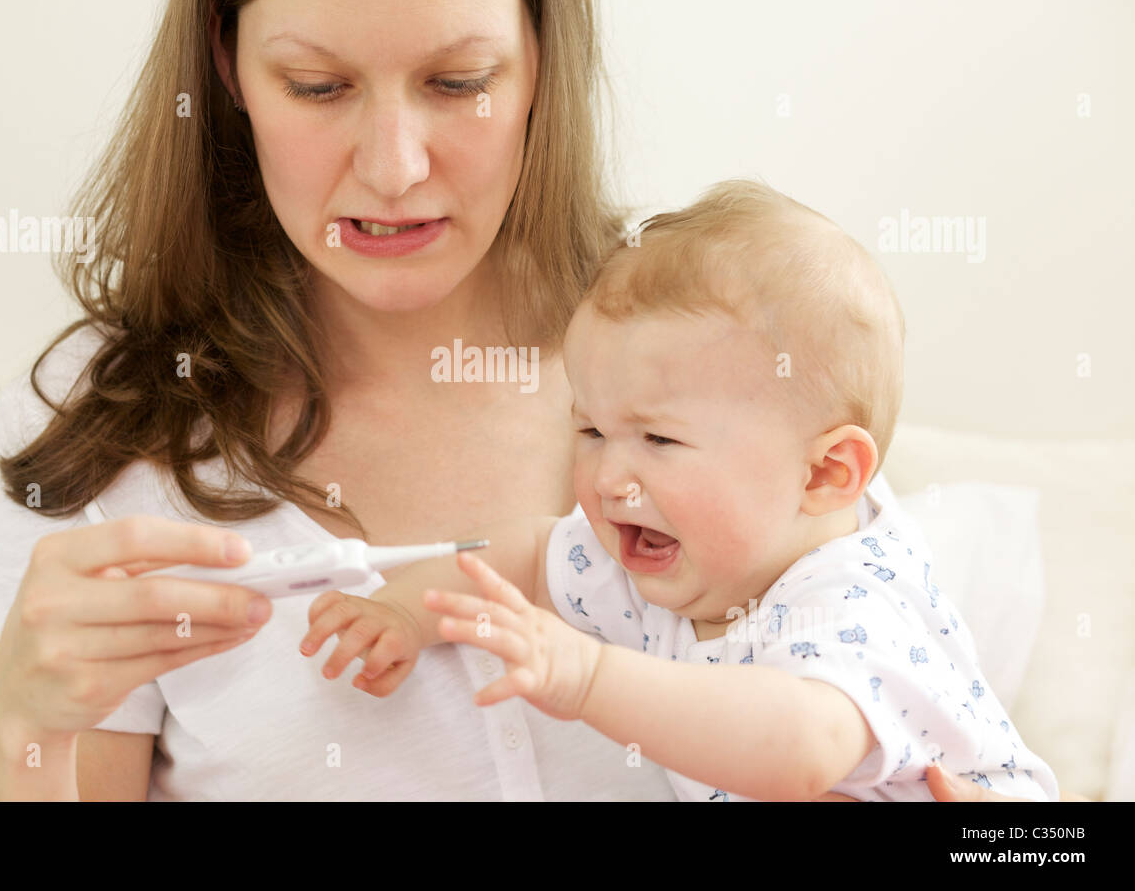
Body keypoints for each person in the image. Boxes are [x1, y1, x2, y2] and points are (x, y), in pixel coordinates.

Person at [0, 0, 1064, 801]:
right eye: (317, 87)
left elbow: (933, 736)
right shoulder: (111, 422)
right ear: (224, 66)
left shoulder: (710, 340)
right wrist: (22, 715)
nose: (394, 165)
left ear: (539, 64)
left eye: (459, 81)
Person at [299, 179, 1060, 801]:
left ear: (825, 475)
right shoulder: (670, 567)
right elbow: (530, 555)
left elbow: (793, 751)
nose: (607, 477)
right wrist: (401, 610)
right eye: (591, 431)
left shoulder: (851, 598)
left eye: (660, 440)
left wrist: (588, 676)